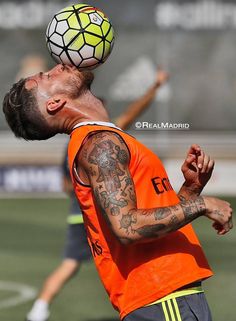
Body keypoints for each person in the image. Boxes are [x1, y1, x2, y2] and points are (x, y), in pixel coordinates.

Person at [3, 64, 233, 321]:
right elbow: (127, 226)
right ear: (55, 103)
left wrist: (190, 190)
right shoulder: (99, 144)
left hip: (165, 298)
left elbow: (147, 223)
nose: (58, 66)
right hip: (162, 298)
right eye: (47, 76)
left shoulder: (103, 137)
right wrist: (202, 204)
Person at [26, 69, 169, 321]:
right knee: (133, 253)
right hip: (99, 215)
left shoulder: (77, 143)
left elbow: (65, 184)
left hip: (80, 213)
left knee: (71, 264)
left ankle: (39, 309)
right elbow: (133, 113)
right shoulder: (99, 139)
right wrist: (155, 87)